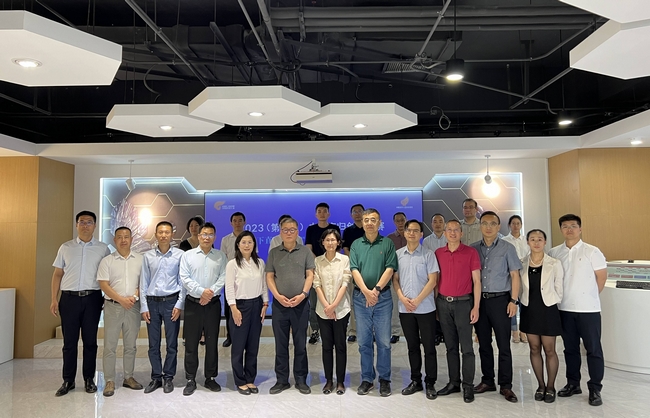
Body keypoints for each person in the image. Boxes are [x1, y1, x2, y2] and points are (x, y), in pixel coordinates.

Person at [548, 214, 607, 407]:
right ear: (561, 230)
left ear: (580, 229)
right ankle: (573, 384)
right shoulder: (555, 252)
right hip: (564, 309)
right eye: (565, 226)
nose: (569, 229)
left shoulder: (592, 251)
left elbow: (601, 278)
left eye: (573, 226)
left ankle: (595, 388)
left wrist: (588, 297)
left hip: (589, 310)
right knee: (570, 349)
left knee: (593, 349)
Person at [50, 210, 110, 397]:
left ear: (95, 225)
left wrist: (106, 297)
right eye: (82, 222)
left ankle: (89, 379)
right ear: (76, 225)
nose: (85, 225)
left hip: (93, 298)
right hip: (69, 299)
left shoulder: (103, 249)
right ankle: (68, 380)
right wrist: (54, 298)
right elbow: (57, 275)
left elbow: (108, 275)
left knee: (90, 342)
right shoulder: (65, 247)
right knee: (69, 343)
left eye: (89, 222)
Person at [471, 211, 522, 403]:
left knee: (503, 345)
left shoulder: (507, 248)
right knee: (484, 344)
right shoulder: (473, 249)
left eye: (493, 223)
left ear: (498, 226)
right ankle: (488, 381)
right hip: (480, 302)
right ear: (480, 226)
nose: (488, 227)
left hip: (501, 301)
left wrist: (513, 301)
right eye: (485, 223)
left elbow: (515, 275)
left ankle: (506, 385)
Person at [350, 208, 398, 397]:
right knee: (364, 342)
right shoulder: (356, 244)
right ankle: (367, 379)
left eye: (373, 219)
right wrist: (366, 292)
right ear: (362, 223)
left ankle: (384, 379)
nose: (369, 223)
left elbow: (390, 268)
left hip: (382, 298)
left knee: (384, 342)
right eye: (366, 220)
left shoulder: (387, 243)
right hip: (361, 298)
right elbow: (354, 269)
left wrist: (376, 291)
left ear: (379, 223)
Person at [266, 217, 315, 395]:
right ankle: (281, 380)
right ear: (280, 232)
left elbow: (310, 275)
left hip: (300, 305)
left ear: (297, 231)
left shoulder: (305, 251)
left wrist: (303, 295)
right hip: (280, 305)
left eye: (292, 229)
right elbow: (269, 276)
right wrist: (277, 296)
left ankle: (301, 379)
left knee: (300, 344)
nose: (288, 233)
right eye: (285, 230)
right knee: (281, 344)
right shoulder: (274, 252)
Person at [434, 219, 481, 403]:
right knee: (450, 347)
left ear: (461, 233)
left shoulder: (471, 252)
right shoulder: (438, 253)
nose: (453, 233)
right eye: (449, 230)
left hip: (464, 304)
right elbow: (435, 281)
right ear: (445, 233)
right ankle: (454, 382)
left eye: (456, 230)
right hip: (443, 303)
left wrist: (476, 306)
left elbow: (477, 281)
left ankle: (468, 386)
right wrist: (436, 305)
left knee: (466, 348)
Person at [179, 222, 227, 396]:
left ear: (215, 237)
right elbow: (184, 277)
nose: (207, 237)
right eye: (204, 234)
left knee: (212, 342)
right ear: (198, 236)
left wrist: (210, 293)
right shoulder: (188, 256)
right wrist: (201, 292)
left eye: (210, 234)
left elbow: (223, 277)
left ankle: (210, 377)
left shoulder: (221, 256)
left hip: (213, 304)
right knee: (191, 342)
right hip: (193, 304)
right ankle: (190, 378)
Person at [393, 220, 439, 400]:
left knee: (429, 347)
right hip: (405, 309)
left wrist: (418, 300)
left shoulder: (428, 254)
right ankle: (415, 380)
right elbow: (395, 280)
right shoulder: (398, 255)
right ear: (404, 233)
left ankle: (431, 382)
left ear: (421, 234)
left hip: (425, 308)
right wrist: (402, 298)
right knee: (412, 346)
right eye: (409, 230)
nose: (412, 233)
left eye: (416, 231)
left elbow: (433, 280)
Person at [97, 226, 144, 397]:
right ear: (114, 240)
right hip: (113, 307)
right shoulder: (107, 261)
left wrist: (134, 297)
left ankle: (128, 377)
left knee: (130, 345)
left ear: (131, 239)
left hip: (133, 306)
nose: (123, 240)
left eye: (126, 236)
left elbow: (143, 283)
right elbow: (104, 285)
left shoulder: (140, 259)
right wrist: (121, 299)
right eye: (120, 237)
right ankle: (109, 380)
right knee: (110, 346)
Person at [140, 221, 185, 394]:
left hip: (171, 302)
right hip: (152, 303)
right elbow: (143, 282)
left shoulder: (180, 255)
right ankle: (156, 377)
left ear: (172, 234)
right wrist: (144, 306)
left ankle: (168, 377)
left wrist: (179, 304)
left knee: (172, 343)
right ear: (156, 234)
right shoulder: (148, 256)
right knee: (153, 344)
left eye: (167, 232)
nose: (164, 235)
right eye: (160, 232)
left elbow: (182, 282)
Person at [519, 229, 564, 403]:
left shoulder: (554, 263)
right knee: (534, 348)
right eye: (532, 239)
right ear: (527, 242)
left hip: (548, 310)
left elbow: (559, 287)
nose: (536, 242)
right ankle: (541, 385)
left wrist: (554, 301)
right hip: (529, 310)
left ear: (545, 242)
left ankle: (551, 387)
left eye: (540, 239)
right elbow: (519, 287)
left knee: (550, 349)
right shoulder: (522, 262)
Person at [225, 231, 268, 395]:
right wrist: (233, 308)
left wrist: (265, 303)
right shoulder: (232, 264)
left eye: (250, 242)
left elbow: (264, 285)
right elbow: (229, 287)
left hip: (257, 305)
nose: (247, 245)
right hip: (240, 307)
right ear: (238, 244)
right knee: (238, 346)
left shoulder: (260, 262)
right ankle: (240, 381)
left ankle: (250, 378)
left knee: (252, 345)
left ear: (254, 244)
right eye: (243, 242)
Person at [313, 229, 351, 395]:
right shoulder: (317, 261)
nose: (330, 243)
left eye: (333, 240)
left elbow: (345, 283)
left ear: (338, 242)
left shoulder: (344, 260)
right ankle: (329, 380)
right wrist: (327, 307)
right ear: (323, 242)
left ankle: (340, 381)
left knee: (340, 346)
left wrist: (334, 306)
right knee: (327, 347)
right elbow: (317, 284)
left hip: (341, 309)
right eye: (327, 240)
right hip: (322, 311)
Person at [305, 203, 341, 345]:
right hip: (316, 269)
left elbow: (337, 248)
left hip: (333, 269)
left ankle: (334, 325)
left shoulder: (335, 228)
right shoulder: (311, 229)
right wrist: (319, 262)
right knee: (314, 302)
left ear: (328, 214)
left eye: (324, 211)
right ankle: (315, 330)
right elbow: (309, 249)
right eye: (319, 211)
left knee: (333, 299)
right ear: (316, 214)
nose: (322, 214)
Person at [219, 212, 247, 348]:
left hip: (245, 279)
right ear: (231, 223)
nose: (237, 223)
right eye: (235, 221)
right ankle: (230, 336)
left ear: (244, 222)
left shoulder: (249, 238)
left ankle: (243, 336)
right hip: (230, 279)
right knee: (229, 309)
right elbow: (223, 259)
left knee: (244, 308)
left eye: (240, 220)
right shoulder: (225, 240)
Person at [502, 215, 530, 344]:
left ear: (521, 225)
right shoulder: (504, 240)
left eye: (518, 223)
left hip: (524, 274)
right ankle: (514, 331)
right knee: (512, 302)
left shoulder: (526, 240)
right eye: (513, 223)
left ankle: (523, 330)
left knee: (524, 303)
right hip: (510, 275)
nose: (516, 226)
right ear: (509, 225)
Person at [342, 203, 365, 343]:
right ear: (351, 215)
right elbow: (345, 249)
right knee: (352, 301)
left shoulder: (369, 229)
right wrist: (355, 263)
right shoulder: (348, 231)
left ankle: (370, 330)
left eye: (359, 211)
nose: (357, 213)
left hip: (369, 269)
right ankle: (353, 331)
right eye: (354, 211)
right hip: (353, 269)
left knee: (369, 300)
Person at [387, 211, 407, 344]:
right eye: (398, 221)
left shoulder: (411, 235)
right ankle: (395, 332)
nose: (400, 223)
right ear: (394, 222)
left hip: (410, 275)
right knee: (394, 305)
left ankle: (411, 331)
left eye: (402, 220)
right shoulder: (389, 239)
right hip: (394, 276)